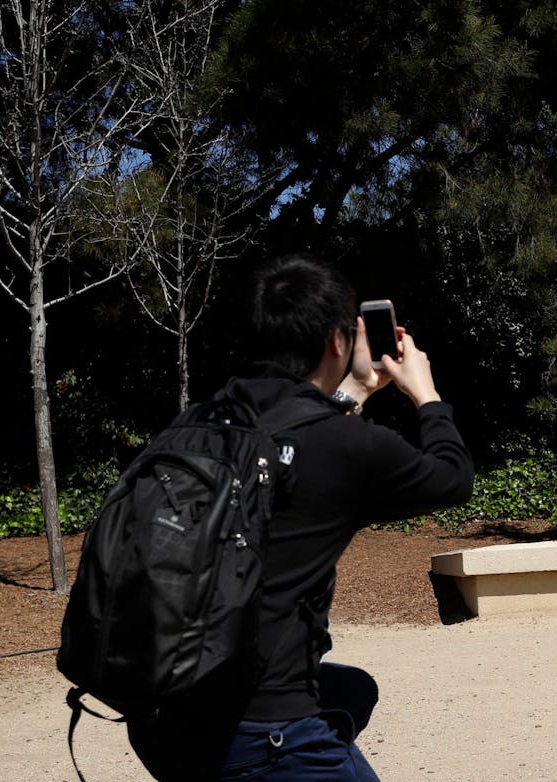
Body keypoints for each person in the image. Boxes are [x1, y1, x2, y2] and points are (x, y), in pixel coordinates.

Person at [125, 252, 474, 781]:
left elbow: (297, 436)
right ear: (338, 342)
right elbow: (452, 477)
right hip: (261, 729)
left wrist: (355, 390)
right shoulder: (341, 445)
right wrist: (424, 393)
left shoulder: (199, 423)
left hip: (160, 719)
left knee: (351, 691)